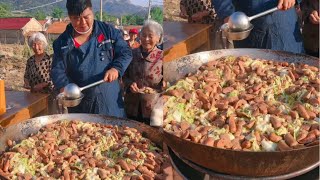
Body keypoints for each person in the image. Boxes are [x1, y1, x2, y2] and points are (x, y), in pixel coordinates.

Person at [51, 0, 132, 117]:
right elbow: (57, 70)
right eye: (76, 18)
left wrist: (116, 68)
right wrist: (65, 88)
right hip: (80, 103)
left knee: (114, 132)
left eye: (86, 17)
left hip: (109, 100)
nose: (82, 22)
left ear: (92, 12)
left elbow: (125, 52)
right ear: (69, 17)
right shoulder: (62, 42)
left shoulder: (108, 32)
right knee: (83, 132)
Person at [212, 0, 304, 53]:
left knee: (291, 71)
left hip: (283, 23)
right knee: (248, 74)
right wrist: (227, 12)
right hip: (246, 24)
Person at [123, 20, 163, 124]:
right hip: (131, 107)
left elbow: (168, 84)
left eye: (150, 36)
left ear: (158, 38)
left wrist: (155, 90)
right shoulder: (131, 54)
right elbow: (123, 76)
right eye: (143, 35)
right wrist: (129, 84)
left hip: (153, 110)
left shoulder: (162, 57)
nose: (146, 39)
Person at [24, 32, 56, 114]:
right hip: (33, 96)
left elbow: (54, 79)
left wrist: (42, 85)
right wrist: (26, 83)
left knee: (48, 118)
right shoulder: (30, 60)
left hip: (48, 96)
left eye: (39, 44)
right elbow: (26, 76)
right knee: (34, 117)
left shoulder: (49, 60)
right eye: (34, 45)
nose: (36, 47)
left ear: (44, 45)